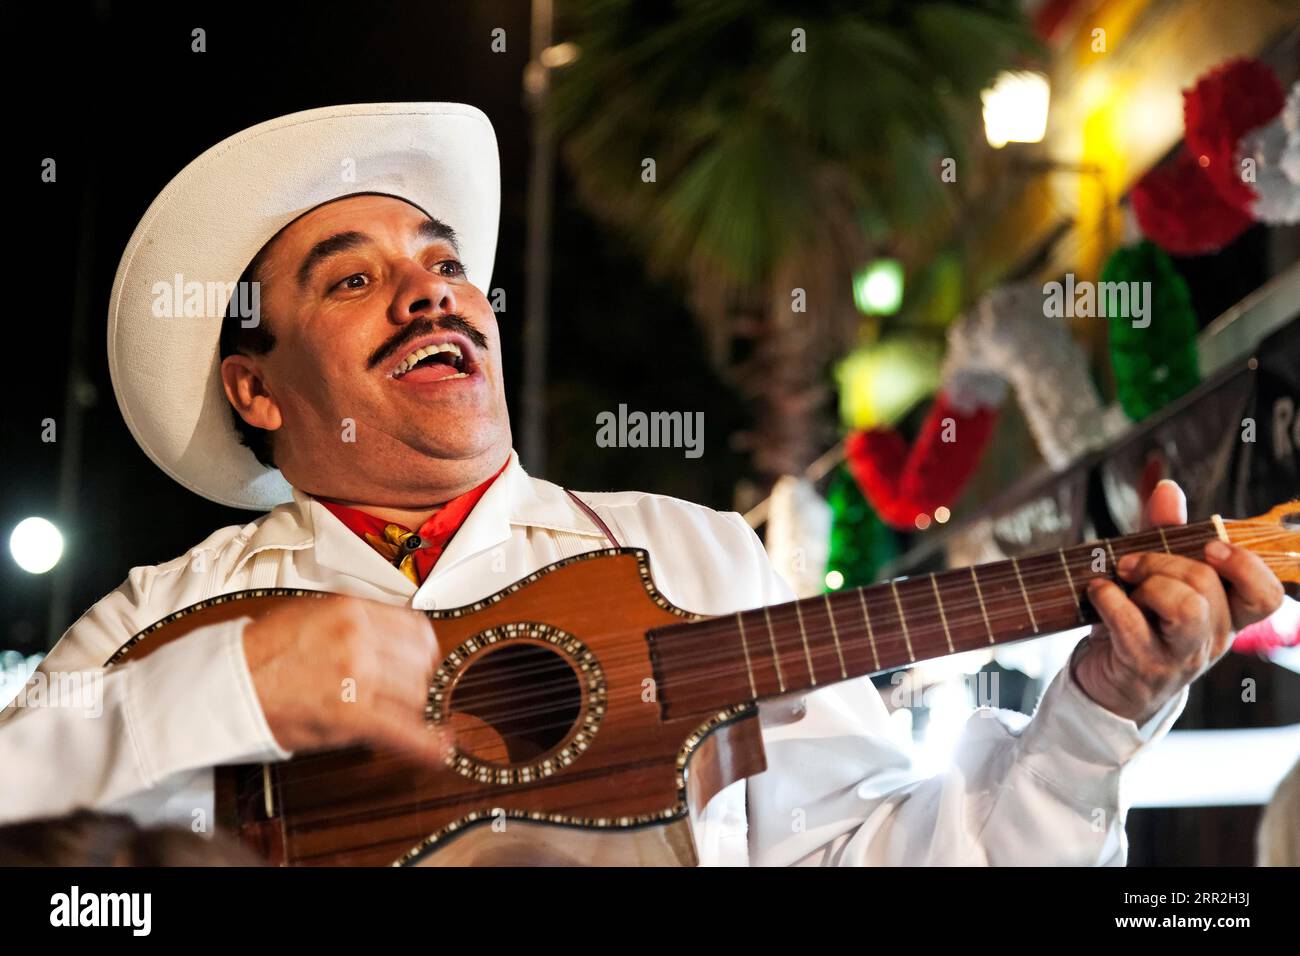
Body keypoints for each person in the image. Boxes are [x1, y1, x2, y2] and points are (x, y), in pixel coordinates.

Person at [0, 103, 1284, 865]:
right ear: (256, 390)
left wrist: (1098, 715)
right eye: (350, 277)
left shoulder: (691, 554)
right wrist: (236, 684)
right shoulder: (160, 618)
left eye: (442, 263)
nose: (432, 290)